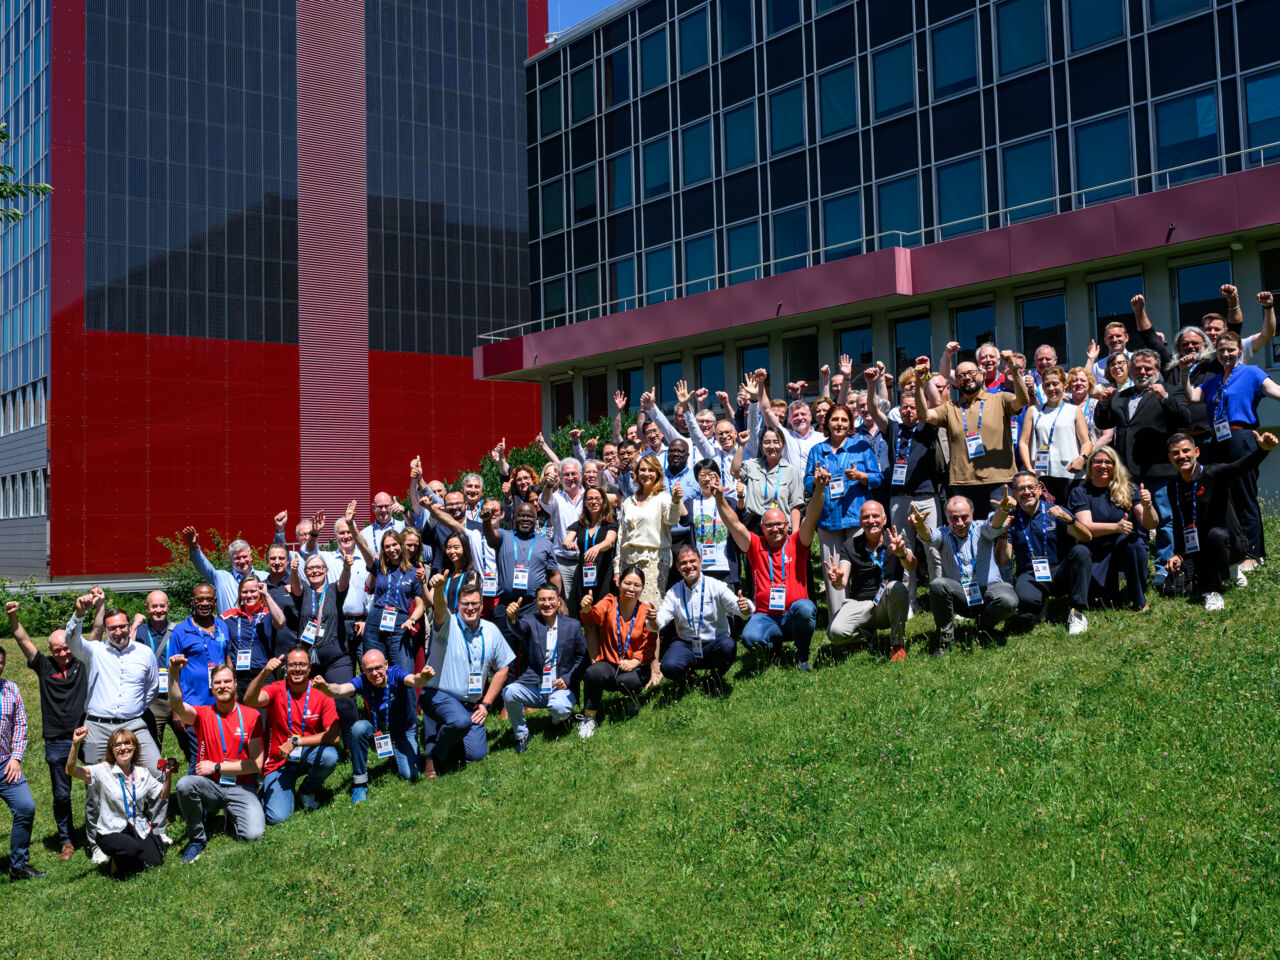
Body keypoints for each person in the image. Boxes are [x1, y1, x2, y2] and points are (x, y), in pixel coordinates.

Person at [65, 589, 166, 862]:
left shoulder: (144, 653)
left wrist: (132, 710)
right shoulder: (94, 651)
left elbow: (151, 689)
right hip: (98, 725)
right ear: (106, 630)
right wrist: (79, 613)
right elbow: (71, 641)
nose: (118, 632)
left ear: (127, 627)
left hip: (134, 723)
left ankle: (158, 830)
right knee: (95, 785)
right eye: (112, 628)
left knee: (157, 771)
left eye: (122, 626)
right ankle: (97, 842)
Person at [1183, 320, 1280, 570]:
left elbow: (1275, 391)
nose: (1226, 354)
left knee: (1244, 496)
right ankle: (1233, 550)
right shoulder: (1214, 381)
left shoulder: (1252, 372)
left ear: (1239, 349)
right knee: (1223, 497)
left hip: (1241, 437)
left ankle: (1254, 554)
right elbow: (1193, 397)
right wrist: (1185, 374)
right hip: (1217, 440)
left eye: (1231, 349)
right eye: (1221, 350)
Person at [1094, 348, 1190, 586]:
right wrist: (1104, 404)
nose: (1142, 372)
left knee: (1164, 520)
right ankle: (1137, 569)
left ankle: (1164, 568)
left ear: (1157, 369)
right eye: (1137, 368)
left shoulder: (1172, 390)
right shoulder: (1121, 395)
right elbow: (1103, 422)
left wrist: (1164, 399)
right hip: (1128, 473)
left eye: (1148, 368)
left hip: (1159, 471)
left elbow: (1185, 419)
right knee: (1134, 523)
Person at [717, 465, 828, 671]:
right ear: (762, 528)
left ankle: (802, 656)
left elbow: (811, 516)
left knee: (807, 608)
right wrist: (718, 498)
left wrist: (819, 490)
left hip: (794, 614)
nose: (775, 529)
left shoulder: (797, 542)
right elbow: (733, 524)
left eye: (779, 524)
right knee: (749, 638)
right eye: (769, 525)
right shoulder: (756, 545)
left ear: (787, 525)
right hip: (766, 614)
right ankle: (773, 648)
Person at [1161, 431, 1278, 610]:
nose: (1182, 456)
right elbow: (1179, 522)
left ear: (1196, 452)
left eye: (1186, 451)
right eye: (1176, 453)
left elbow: (1240, 466)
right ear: (1170, 457)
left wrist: (1263, 450)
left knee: (1215, 535)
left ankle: (1214, 591)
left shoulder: (1213, 473)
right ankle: (1228, 571)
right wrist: (1178, 553)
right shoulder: (1174, 486)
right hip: (1199, 547)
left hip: (1231, 543)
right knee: (1176, 588)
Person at [7, 601, 86, 861]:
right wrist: (13, 616)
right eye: (57, 650)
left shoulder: (82, 662)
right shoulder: (44, 666)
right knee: (61, 794)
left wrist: (96, 605)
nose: (63, 653)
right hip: (56, 740)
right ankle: (66, 840)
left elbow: (96, 632)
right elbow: (23, 641)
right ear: (50, 651)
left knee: (96, 783)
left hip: (87, 734)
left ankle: (97, 831)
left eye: (66, 648)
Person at [167, 656, 264, 863]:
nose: (223, 686)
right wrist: (174, 674)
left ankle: (231, 814)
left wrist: (218, 766)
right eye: (218, 683)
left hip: (241, 786)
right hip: (210, 786)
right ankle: (197, 839)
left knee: (253, 835)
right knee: (184, 784)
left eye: (227, 681)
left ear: (235, 683)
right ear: (211, 687)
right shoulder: (203, 714)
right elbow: (177, 705)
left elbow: (257, 764)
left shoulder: (251, 715)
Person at [916, 350, 1029, 519]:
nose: (967, 377)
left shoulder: (1001, 399)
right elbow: (924, 415)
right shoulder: (951, 408)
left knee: (1002, 534)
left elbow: (1023, 401)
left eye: (971, 373)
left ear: (981, 375)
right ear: (957, 383)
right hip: (963, 483)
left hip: (998, 482)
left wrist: (1013, 368)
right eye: (961, 375)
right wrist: (920, 382)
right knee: (968, 536)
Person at [862, 367, 940, 609]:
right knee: (903, 550)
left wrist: (922, 380)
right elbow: (874, 411)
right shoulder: (893, 428)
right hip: (899, 499)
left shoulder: (928, 426)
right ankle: (910, 601)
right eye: (904, 407)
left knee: (932, 549)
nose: (909, 411)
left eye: (913, 407)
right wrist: (872, 384)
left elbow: (936, 403)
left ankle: (939, 598)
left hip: (926, 497)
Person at [421, 576, 514, 775]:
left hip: (470, 704)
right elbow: (439, 610)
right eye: (465, 604)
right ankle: (434, 755)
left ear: (482, 606)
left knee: (476, 754)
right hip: (439, 695)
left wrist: (486, 704)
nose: (470, 608)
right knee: (460, 722)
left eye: (474, 604)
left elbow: (503, 667)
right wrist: (438, 589)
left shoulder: (491, 630)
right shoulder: (447, 624)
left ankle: (445, 735)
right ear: (458, 605)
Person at [313, 649, 434, 799]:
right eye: (369, 669)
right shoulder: (362, 680)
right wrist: (325, 687)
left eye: (378, 668)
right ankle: (360, 783)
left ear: (386, 665)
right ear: (363, 669)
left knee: (410, 775)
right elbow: (339, 690)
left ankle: (396, 754)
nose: (375, 673)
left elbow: (415, 680)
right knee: (359, 728)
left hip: (403, 731)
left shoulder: (396, 673)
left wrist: (424, 677)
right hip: (379, 730)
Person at [912, 494, 1019, 656]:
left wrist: (1003, 510)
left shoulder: (983, 529)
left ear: (972, 515)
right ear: (947, 518)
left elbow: (995, 524)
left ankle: (985, 628)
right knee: (937, 584)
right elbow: (929, 536)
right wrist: (920, 525)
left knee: (1008, 599)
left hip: (990, 591)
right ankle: (945, 639)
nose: (960, 523)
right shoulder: (943, 534)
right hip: (961, 596)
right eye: (954, 518)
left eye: (964, 517)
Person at [242, 647, 341, 823]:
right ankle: (268, 789)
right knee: (277, 818)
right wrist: (264, 672)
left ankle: (306, 790)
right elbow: (249, 700)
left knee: (329, 756)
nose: (297, 669)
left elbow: (334, 736)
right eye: (292, 665)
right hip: (278, 760)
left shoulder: (321, 691)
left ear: (309, 667)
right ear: (285, 668)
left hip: (306, 753)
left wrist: (296, 741)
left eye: (302, 665)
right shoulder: (276, 689)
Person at [992, 471, 1093, 635]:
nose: (1027, 492)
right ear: (1014, 493)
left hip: (1058, 570)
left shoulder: (1055, 511)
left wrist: (1070, 519)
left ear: (1039, 489)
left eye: (1031, 487)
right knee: (1025, 599)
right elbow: (1003, 560)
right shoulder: (1011, 519)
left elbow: (1086, 537)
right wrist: (1003, 533)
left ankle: (1077, 612)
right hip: (1030, 574)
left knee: (1081, 551)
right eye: (1021, 488)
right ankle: (1036, 607)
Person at [804, 402, 882, 611]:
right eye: (835, 419)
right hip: (828, 518)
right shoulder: (817, 450)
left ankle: (865, 615)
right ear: (826, 423)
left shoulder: (861, 447)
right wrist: (817, 482)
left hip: (857, 516)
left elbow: (878, 478)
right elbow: (807, 482)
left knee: (860, 569)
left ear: (850, 424)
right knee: (833, 572)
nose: (839, 424)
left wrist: (861, 476)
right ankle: (838, 620)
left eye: (844, 420)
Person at [64, 725, 170, 875]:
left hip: (137, 826)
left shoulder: (142, 772)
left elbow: (163, 794)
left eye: (127, 743)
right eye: (117, 744)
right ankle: (116, 861)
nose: (123, 748)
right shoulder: (103, 770)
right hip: (110, 830)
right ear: (111, 750)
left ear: (134, 747)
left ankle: (132, 853)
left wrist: (168, 775)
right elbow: (71, 770)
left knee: (155, 862)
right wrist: (75, 744)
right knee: (132, 849)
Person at [502, 583, 589, 753]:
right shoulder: (529, 620)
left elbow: (583, 657)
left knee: (559, 708)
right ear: (536, 602)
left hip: (560, 685)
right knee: (509, 692)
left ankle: (557, 720)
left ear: (559, 601)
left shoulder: (572, 625)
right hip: (535, 685)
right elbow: (518, 629)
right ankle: (521, 735)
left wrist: (568, 678)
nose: (547, 604)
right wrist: (512, 618)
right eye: (542, 599)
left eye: (551, 599)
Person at [1069, 447, 1159, 611]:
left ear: (1115, 465)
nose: (1103, 466)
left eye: (1108, 462)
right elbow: (1085, 527)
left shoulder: (1129, 489)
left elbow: (1150, 524)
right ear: (1090, 466)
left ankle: (1139, 599)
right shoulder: (1080, 491)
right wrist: (1116, 527)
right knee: (1101, 602)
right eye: (1098, 461)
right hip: (1096, 549)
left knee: (1135, 544)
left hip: (1124, 547)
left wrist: (1147, 506)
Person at [825, 501, 916, 658]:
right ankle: (865, 636)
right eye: (866, 517)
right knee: (835, 633)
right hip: (859, 604)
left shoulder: (895, 540)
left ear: (885, 519)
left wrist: (902, 553)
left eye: (876, 516)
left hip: (887, 604)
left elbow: (912, 565)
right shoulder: (850, 545)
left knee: (897, 587)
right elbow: (842, 582)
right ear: (860, 521)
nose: (871, 521)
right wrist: (837, 579)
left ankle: (897, 644)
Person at [655, 545, 752, 691]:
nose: (689, 566)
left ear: (700, 561)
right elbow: (660, 620)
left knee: (728, 646)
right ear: (677, 566)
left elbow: (738, 608)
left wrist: (746, 607)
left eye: (692, 561)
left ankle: (715, 676)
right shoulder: (673, 592)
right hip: (686, 644)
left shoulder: (716, 586)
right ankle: (690, 679)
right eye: (683, 563)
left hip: (714, 644)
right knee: (668, 666)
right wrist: (652, 619)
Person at [288, 552, 359, 748]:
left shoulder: (335, 589)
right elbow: (295, 585)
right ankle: (314, 743)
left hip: (336, 656)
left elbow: (344, 580)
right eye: (310, 568)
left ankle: (353, 746)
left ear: (326, 571)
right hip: (307, 659)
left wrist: (346, 566)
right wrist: (294, 570)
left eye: (319, 567)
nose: (315, 571)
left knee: (344, 699)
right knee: (309, 702)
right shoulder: (304, 593)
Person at [578, 565, 658, 737]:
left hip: (636, 666)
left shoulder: (645, 611)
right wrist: (586, 608)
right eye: (627, 583)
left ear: (642, 588)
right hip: (610, 662)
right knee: (593, 673)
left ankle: (632, 698)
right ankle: (589, 717)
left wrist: (635, 661)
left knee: (628, 680)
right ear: (619, 583)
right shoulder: (609, 601)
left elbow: (650, 646)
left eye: (637, 585)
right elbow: (592, 616)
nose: (631, 588)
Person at [167, 583, 232, 768]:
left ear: (215, 601)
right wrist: (176, 710)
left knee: (223, 753)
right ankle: (194, 792)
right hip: (194, 706)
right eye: (200, 599)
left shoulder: (222, 626)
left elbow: (227, 658)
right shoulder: (181, 631)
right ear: (192, 602)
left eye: (209, 599)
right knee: (199, 757)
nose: (204, 603)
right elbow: (174, 672)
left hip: (221, 703)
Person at [482, 500, 561, 649]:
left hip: (533, 607)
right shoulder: (504, 536)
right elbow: (490, 537)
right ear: (514, 518)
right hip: (506, 605)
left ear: (535, 519)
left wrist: (558, 598)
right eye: (521, 515)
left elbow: (554, 574)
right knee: (505, 655)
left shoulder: (545, 543)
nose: (525, 519)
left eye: (530, 516)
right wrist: (486, 522)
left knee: (531, 654)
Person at [1017, 366, 1092, 504]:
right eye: (1047, 385)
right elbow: (1023, 442)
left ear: (1064, 385)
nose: (1051, 388)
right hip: (1041, 474)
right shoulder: (1033, 410)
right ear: (1043, 388)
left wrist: (1082, 458)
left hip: (1070, 475)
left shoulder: (1074, 411)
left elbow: (1086, 442)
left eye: (1055, 384)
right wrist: (1028, 468)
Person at [617, 454, 683, 610]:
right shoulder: (629, 501)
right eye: (643, 470)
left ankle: (654, 635)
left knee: (650, 608)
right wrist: (616, 568)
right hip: (628, 561)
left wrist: (675, 501)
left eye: (651, 470)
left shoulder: (664, 498)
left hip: (654, 560)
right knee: (629, 608)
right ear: (637, 473)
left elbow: (671, 520)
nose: (646, 474)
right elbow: (621, 536)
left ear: (657, 474)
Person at [0, 644, 43, 880]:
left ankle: (18, 866)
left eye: (0, 662)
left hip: (5, 765)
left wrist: (16, 758)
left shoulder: (10, 689)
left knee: (26, 808)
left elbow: (20, 725)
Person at [131, 590, 186, 754]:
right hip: (152, 699)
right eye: (154, 606)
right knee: (152, 748)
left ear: (168, 607)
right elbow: (125, 651)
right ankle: (157, 778)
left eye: (162, 606)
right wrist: (134, 625)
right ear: (147, 608)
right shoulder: (139, 632)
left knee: (190, 742)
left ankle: (198, 778)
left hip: (178, 694)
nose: (159, 610)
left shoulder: (179, 631)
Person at [363, 530, 427, 672]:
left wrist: (412, 620)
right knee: (374, 670)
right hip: (375, 622)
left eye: (395, 545)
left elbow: (420, 605)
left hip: (400, 624)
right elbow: (363, 547)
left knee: (404, 673)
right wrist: (351, 525)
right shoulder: (380, 567)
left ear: (401, 545)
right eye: (387, 546)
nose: (391, 549)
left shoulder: (414, 572)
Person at [222, 575, 286, 702]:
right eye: (245, 592)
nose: (249, 595)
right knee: (241, 718)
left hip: (263, 674)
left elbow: (280, 622)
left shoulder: (268, 613)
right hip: (238, 676)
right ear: (240, 594)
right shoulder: (228, 617)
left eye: (253, 591)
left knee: (262, 717)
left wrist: (266, 595)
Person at [563, 484, 619, 617]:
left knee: (602, 614)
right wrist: (569, 544)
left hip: (604, 574)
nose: (594, 502)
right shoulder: (580, 524)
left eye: (597, 498)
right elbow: (566, 540)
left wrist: (597, 547)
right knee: (584, 615)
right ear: (585, 503)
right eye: (590, 499)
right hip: (584, 574)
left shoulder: (611, 522)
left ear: (603, 501)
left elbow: (609, 541)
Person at [183, 526, 266, 615]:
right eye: (237, 558)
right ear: (230, 560)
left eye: (244, 556)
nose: (242, 561)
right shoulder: (221, 578)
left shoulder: (265, 577)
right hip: (228, 627)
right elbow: (202, 567)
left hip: (259, 626)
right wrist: (194, 548)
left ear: (251, 556)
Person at [540, 456, 586, 602]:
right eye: (566, 474)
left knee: (587, 602)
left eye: (574, 474)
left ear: (581, 475)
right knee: (565, 603)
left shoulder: (590, 497)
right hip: (563, 561)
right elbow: (545, 501)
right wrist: (548, 485)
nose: (570, 477)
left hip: (587, 559)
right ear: (560, 477)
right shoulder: (555, 498)